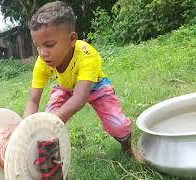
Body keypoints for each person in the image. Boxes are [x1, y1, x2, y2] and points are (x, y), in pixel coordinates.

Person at [23, 1, 143, 161]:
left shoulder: (87, 55)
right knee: (48, 118)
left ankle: (128, 148)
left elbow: (79, 99)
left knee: (118, 125)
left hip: (95, 86)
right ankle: (51, 165)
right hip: (65, 87)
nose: (43, 53)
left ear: (72, 39)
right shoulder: (42, 63)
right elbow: (32, 100)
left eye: (49, 45)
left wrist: (48, 125)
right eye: (38, 46)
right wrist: (24, 130)